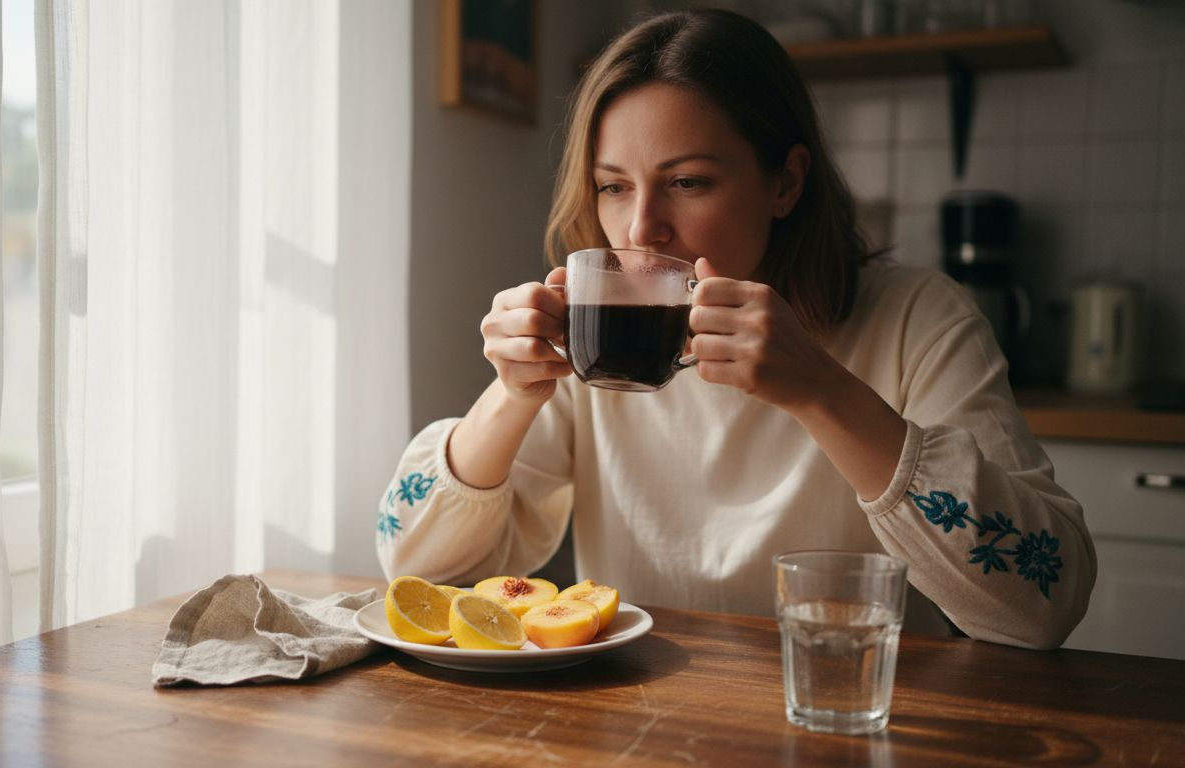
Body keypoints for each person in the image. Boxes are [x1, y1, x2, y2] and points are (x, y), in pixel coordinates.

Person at [375, 9, 1093, 649]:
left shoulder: (919, 318)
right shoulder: (597, 336)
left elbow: (1042, 602)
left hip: (855, 718)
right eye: (613, 185)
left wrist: (820, 389)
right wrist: (513, 392)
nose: (640, 227)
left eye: (687, 182)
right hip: (644, 726)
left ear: (785, 183)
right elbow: (415, 572)